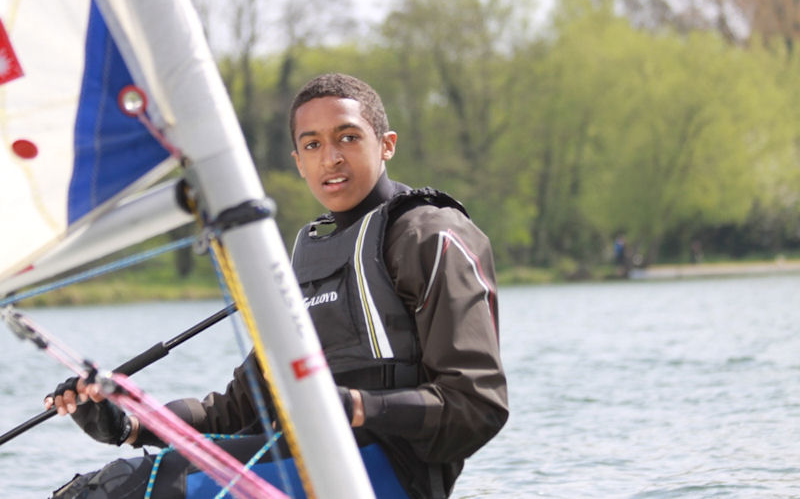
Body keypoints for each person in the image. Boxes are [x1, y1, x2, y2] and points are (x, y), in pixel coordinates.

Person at [46, 73, 508, 498]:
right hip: (302, 460)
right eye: (312, 145)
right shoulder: (308, 254)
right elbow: (237, 411)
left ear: (386, 144)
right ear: (298, 162)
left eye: (348, 137)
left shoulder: (430, 235)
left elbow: (478, 406)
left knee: (128, 491)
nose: (331, 157)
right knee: (92, 490)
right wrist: (128, 423)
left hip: (387, 472)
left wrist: (353, 406)